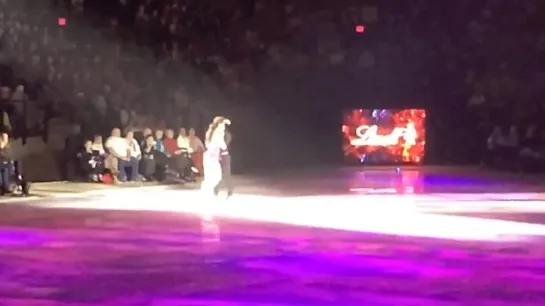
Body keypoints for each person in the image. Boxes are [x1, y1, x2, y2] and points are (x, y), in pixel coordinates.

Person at [201, 116, 230, 198]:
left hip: (209, 157)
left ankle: (207, 192)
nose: (224, 129)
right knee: (215, 177)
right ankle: (206, 192)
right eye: (222, 127)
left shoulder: (212, 133)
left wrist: (224, 121)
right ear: (219, 126)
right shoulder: (217, 136)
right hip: (211, 158)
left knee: (213, 177)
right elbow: (224, 147)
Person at [214, 127, 233, 198]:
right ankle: (217, 188)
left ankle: (228, 189)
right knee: (221, 174)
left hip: (224, 156)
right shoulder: (220, 135)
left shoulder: (225, 135)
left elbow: (224, 145)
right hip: (221, 155)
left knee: (226, 174)